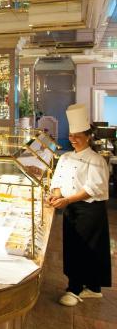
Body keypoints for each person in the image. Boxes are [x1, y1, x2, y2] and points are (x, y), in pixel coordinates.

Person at [50, 104, 111, 307]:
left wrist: (66, 200)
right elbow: (57, 181)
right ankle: (91, 288)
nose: (73, 139)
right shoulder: (65, 157)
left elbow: (93, 188)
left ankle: (76, 289)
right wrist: (56, 197)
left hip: (90, 211)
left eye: (78, 135)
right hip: (71, 209)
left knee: (87, 248)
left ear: (88, 137)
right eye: (71, 135)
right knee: (72, 247)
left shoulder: (96, 160)